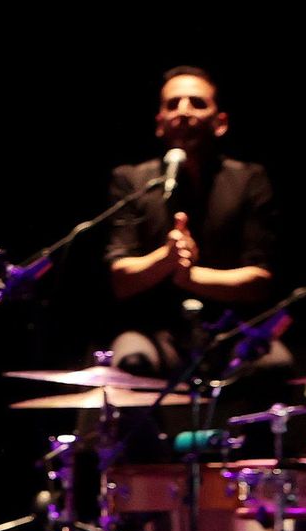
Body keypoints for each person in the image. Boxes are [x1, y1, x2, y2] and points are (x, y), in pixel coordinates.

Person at [104, 66, 286, 381]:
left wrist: (190, 277)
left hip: (230, 332)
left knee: (273, 365)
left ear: (220, 122)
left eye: (197, 103)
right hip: (154, 332)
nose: (184, 111)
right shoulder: (132, 180)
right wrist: (168, 258)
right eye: (173, 104)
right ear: (159, 123)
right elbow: (120, 279)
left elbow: (260, 281)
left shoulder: (249, 180)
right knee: (132, 361)